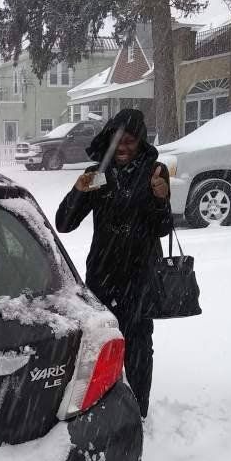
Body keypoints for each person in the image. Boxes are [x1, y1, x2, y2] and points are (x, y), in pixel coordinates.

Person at [55, 109, 172, 418]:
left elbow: (162, 228)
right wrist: (78, 192)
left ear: (140, 141)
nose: (122, 147)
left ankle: (139, 412)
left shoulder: (154, 172)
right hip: (103, 276)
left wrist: (161, 199)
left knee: (138, 347)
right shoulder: (98, 173)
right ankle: (102, 406)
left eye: (130, 141)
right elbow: (64, 223)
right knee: (101, 344)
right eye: (117, 140)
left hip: (140, 276)